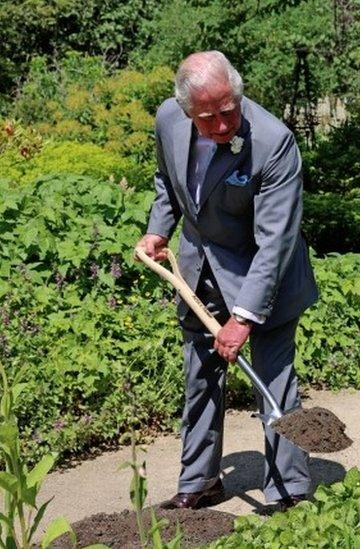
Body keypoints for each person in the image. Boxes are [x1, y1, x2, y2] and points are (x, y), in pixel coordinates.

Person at [136, 51, 318, 510]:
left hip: (265, 277)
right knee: (200, 377)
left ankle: (287, 489)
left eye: (228, 111)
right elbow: (167, 182)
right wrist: (159, 228)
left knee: (272, 383)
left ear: (238, 95)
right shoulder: (167, 120)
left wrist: (243, 317)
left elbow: (274, 242)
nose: (221, 126)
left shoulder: (274, 141)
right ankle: (200, 481)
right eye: (207, 117)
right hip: (199, 271)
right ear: (185, 110)